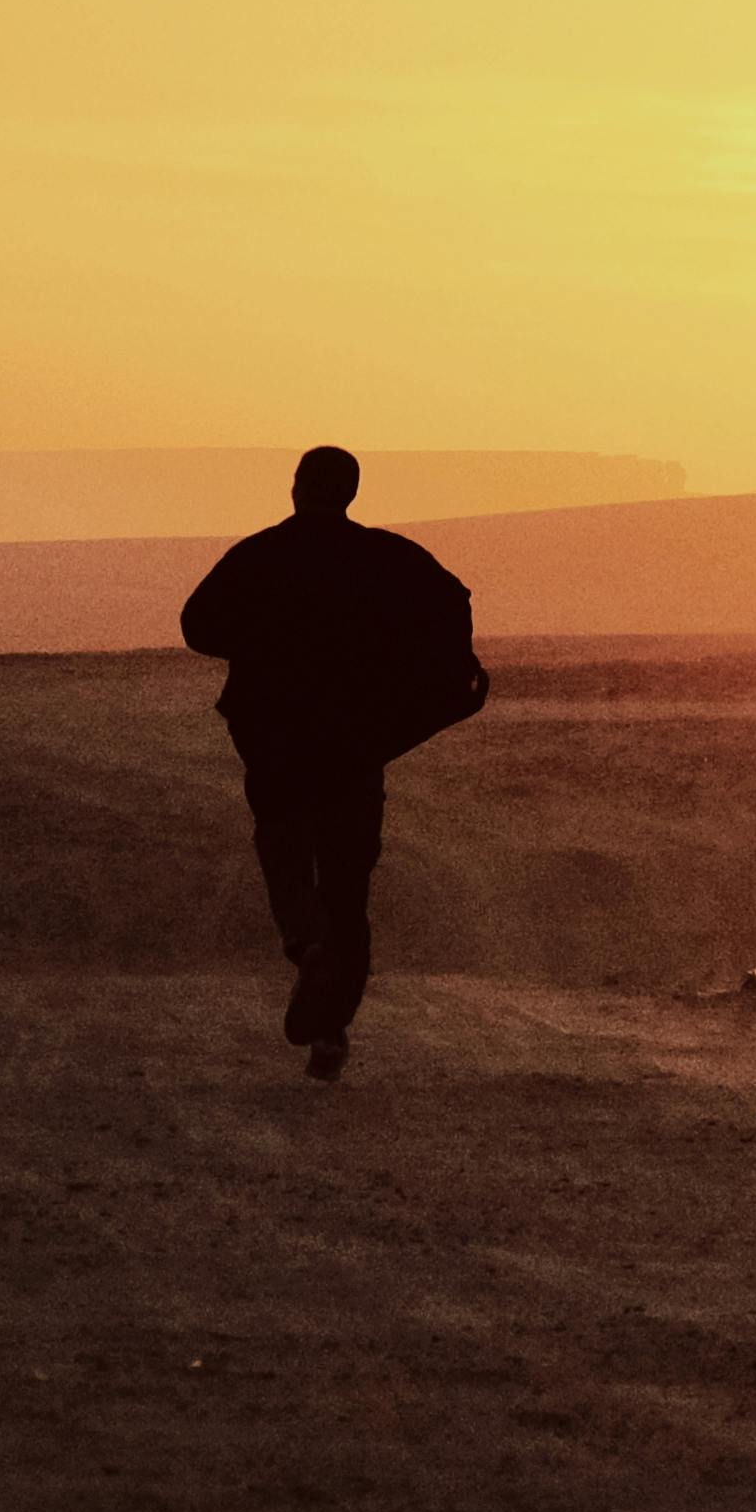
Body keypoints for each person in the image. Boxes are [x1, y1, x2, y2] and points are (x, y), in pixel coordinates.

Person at [176, 446, 488, 1078]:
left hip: (275, 735)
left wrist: (262, 641)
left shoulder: (260, 555)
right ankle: (333, 1032)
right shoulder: (386, 558)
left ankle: (305, 942)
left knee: (285, 845)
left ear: (296, 488)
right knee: (349, 885)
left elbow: (198, 626)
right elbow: (452, 600)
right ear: (351, 492)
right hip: (355, 740)